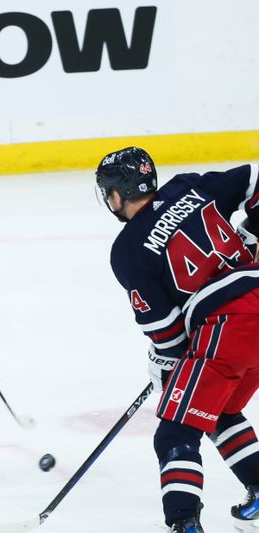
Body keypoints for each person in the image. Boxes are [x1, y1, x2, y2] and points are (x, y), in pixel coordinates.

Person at [96, 147, 259, 532]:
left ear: (117, 195)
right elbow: (256, 177)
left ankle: (184, 522)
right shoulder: (188, 187)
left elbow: (168, 334)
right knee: (216, 409)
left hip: (229, 326)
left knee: (175, 431)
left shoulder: (127, 251)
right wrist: (252, 233)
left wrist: (163, 363)